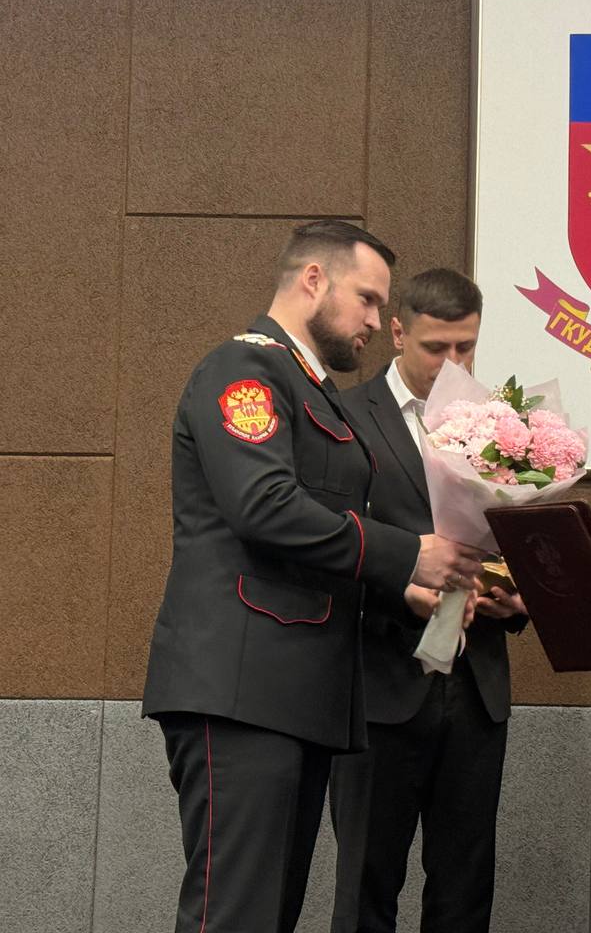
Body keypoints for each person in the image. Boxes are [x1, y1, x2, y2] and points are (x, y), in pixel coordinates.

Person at [141, 221, 486, 933]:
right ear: (313, 280)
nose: (375, 321)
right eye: (367, 299)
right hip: (243, 690)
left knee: (268, 914)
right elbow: (263, 506)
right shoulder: (244, 369)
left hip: (293, 693)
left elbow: (320, 535)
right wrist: (408, 555)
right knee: (234, 914)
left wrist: (404, 589)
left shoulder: (310, 387)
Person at [328, 267, 527, 933]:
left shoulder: (503, 425)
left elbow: (521, 540)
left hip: (475, 688)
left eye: (466, 347)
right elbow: (327, 545)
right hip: (379, 686)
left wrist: (515, 595)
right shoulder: (344, 418)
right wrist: (403, 588)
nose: (453, 364)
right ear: (396, 332)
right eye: (435, 348)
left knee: (465, 890)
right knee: (366, 886)